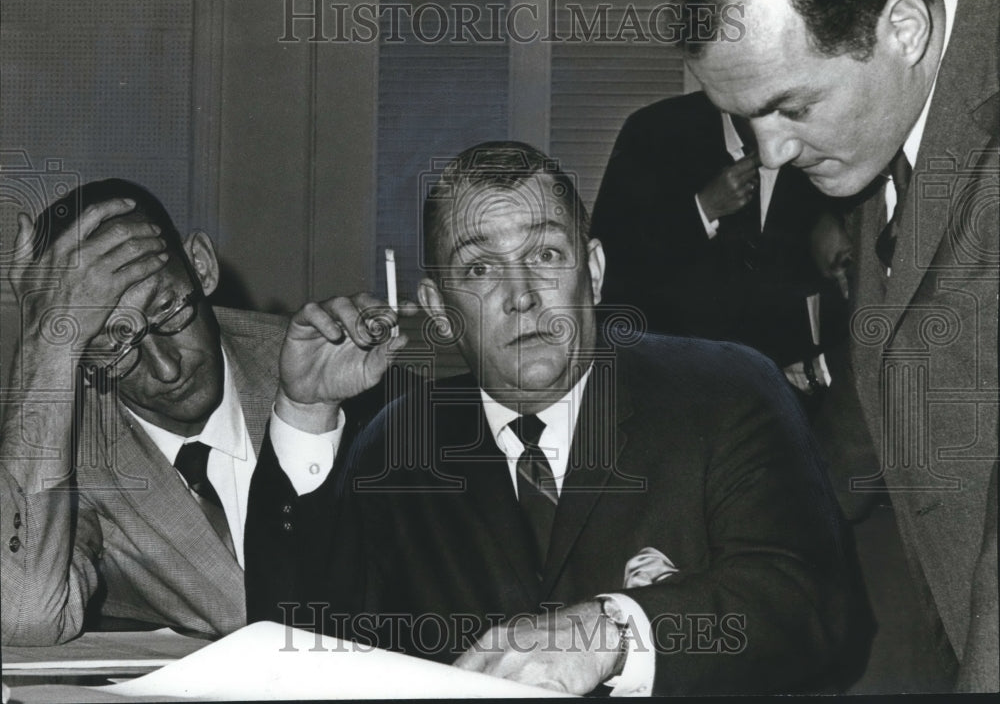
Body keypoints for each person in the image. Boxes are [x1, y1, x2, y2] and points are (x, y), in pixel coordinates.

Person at [246, 141, 857, 695]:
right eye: (480, 269)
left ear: (591, 271)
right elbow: (298, 653)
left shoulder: (727, 390)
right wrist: (307, 410)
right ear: (437, 308)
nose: (521, 294)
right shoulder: (398, 444)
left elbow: (808, 607)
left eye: (544, 253)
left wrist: (614, 632)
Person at [673, 0, 998, 691]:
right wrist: (708, 551)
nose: (770, 153)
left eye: (789, 107)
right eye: (747, 120)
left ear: (903, 27)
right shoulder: (888, 124)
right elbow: (875, 403)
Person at [0, 178, 361, 644]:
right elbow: (22, 615)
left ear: (201, 266)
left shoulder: (325, 369)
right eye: (112, 344)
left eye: (169, 311)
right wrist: (46, 345)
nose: (166, 368)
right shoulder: (64, 445)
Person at [590, 90, 848, 406]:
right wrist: (701, 210)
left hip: (787, 401)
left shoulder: (818, 132)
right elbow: (609, 267)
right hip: (674, 394)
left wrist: (832, 224)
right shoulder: (654, 132)